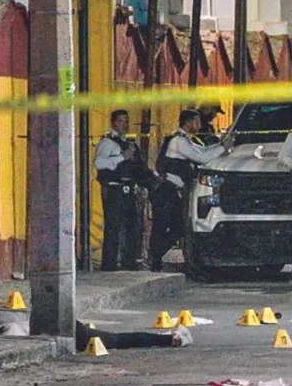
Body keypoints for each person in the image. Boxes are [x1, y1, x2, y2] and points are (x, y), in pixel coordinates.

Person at [150, 109, 233, 272]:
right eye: (196, 121)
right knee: (168, 227)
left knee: (173, 227)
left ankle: (155, 258)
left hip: (172, 190)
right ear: (188, 122)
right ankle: (155, 256)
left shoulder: (184, 140)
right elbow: (200, 158)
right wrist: (223, 148)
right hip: (166, 190)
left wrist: (222, 144)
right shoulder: (178, 141)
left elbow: (201, 151)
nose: (199, 125)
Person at [93, 109, 147, 271]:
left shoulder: (129, 143)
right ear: (113, 122)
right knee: (113, 227)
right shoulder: (107, 143)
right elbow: (99, 163)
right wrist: (121, 157)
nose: (125, 124)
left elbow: (138, 168)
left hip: (129, 189)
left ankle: (129, 261)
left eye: (127, 120)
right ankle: (109, 264)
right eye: (121, 121)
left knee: (132, 225)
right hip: (113, 189)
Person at [75, 320, 192, 351]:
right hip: (79, 332)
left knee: (121, 340)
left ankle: (170, 339)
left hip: (80, 335)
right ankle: (168, 339)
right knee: (121, 339)